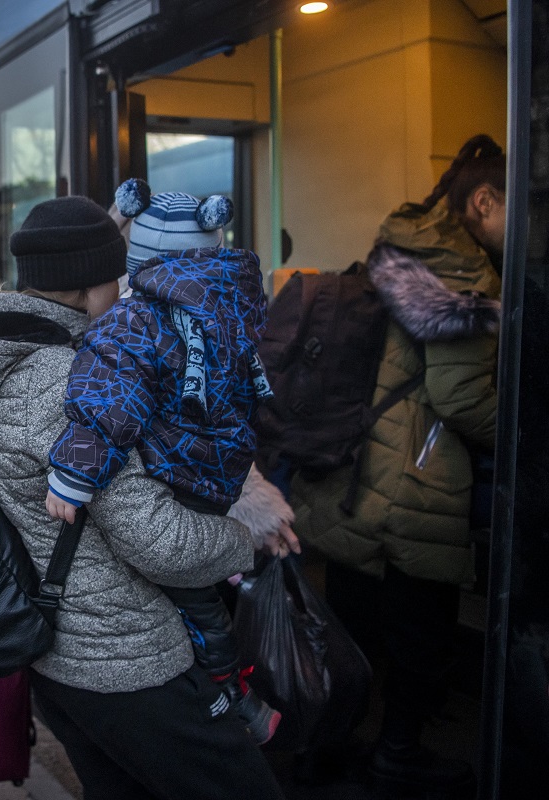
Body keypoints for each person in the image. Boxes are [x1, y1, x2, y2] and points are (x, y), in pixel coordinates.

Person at [0, 196, 293, 799]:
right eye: (118, 277)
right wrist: (243, 540)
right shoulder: (64, 385)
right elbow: (160, 544)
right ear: (89, 283)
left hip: (64, 659)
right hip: (127, 664)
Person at [290, 134, 503, 794]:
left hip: (349, 478)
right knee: (420, 640)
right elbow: (460, 396)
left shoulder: (395, 250)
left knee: (350, 630)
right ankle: (397, 754)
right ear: (485, 200)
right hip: (412, 483)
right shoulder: (465, 275)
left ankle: (326, 751)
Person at [43, 183, 281, 743]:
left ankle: (229, 691)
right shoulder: (232, 305)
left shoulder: (136, 323)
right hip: (219, 473)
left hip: (171, 470)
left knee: (191, 598)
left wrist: (72, 478)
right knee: (199, 586)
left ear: (138, 259)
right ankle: (225, 675)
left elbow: (106, 405)